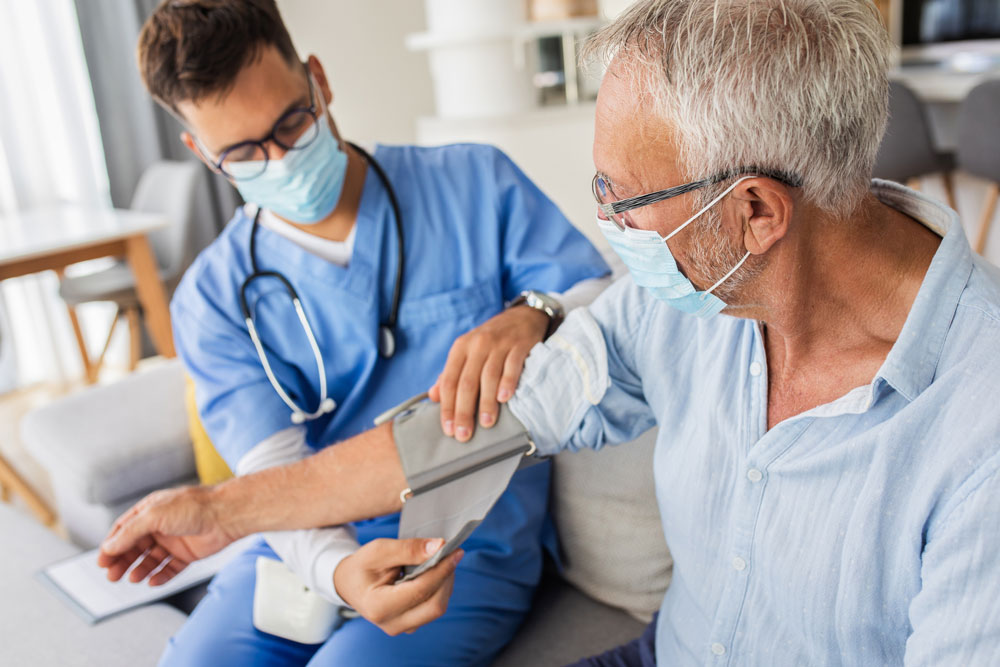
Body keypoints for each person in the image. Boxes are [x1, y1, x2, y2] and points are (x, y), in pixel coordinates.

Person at [100, 0, 1000, 664]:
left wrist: (530, 309)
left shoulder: (976, 434)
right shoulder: (687, 304)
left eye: (621, 201)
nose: (603, 227)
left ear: (754, 210)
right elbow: (463, 434)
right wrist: (216, 512)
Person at [125, 1, 610, 665]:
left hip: (461, 541)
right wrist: (334, 569)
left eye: (292, 124)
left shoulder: (472, 181)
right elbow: (271, 471)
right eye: (243, 152)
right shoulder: (210, 298)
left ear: (318, 82)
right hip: (301, 535)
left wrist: (534, 313)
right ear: (201, 152)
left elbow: (605, 303)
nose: (282, 161)